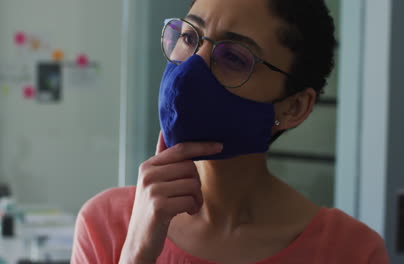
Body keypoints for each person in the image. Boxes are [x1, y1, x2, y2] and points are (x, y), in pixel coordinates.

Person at [71, 0, 390, 263]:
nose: (192, 67)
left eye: (234, 57)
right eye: (188, 37)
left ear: (293, 107)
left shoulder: (350, 251)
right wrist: (137, 253)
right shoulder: (106, 224)